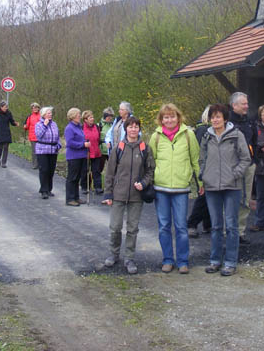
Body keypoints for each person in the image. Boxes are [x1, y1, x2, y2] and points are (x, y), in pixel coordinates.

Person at [199, 103, 251, 276]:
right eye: (212, 117)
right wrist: (203, 175)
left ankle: (230, 262)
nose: (215, 119)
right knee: (215, 226)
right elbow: (202, 159)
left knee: (231, 226)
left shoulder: (237, 135)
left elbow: (246, 159)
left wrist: (235, 174)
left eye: (218, 116)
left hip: (232, 186)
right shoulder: (207, 137)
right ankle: (215, 261)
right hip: (212, 186)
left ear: (225, 118)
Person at [149, 103, 200, 274]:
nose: (169, 120)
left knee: (181, 227)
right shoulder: (155, 137)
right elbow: (150, 162)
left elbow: (196, 160)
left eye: (172, 116)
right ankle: (168, 260)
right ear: (161, 119)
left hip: (181, 188)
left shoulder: (188, 135)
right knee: (164, 226)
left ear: (178, 117)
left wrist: (201, 183)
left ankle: (183, 261)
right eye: (166, 117)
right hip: (160, 188)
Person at [103, 116, 155, 274]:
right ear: (126, 129)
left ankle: (129, 258)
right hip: (118, 194)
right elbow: (110, 172)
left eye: (136, 127)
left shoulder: (145, 148)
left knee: (132, 228)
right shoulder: (118, 148)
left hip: (136, 196)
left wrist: (144, 183)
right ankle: (114, 254)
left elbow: (150, 170)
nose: (133, 129)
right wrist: (108, 193)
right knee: (115, 227)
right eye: (130, 127)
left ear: (139, 129)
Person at [228, 92, 257, 244]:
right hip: (231, 167)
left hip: (249, 165)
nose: (246, 106)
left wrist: (254, 161)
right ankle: (228, 231)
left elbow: (255, 141)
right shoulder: (226, 122)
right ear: (234, 106)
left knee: (245, 200)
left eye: (246, 103)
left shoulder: (250, 121)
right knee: (229, 199)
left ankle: (239, 232)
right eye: (243, 104)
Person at [187, 105, 212, 238]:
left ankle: (208, 224)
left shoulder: (202, 129)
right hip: (203, 169)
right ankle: (192, 223)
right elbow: (198, 153)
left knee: (209, 197)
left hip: (210, 168)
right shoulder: (203, 130)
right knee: (204, 197)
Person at [35, 106, 61, 199]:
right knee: (44, 169)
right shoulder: (39, 124)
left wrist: (59, 145)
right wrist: (45, 126)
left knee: (51, 170)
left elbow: (57, 135)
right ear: (43, 114)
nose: (50, 115)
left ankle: (49, 189)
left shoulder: (54, 124)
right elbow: (38, 135)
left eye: (51, 113)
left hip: (53, 150)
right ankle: (44, 190)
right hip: (42, 150)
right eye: (48, 113)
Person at [64, 108, 88, 206]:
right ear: (73, 116)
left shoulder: (79, 127)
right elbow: (69, 143)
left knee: (77, 178)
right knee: (72, 178)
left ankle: (76, 197)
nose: (79, 116)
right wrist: (83, 144)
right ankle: (70, 198)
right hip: (73, 156)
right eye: (78, 114)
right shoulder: (69, 128)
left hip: (82, 155)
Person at [81, 110, 103, 195]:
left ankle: (98, 187)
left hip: (96, 151)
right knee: (85, 170)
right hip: (86, 152)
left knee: (96, 170)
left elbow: (98, 138)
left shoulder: (96, 127)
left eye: (92, 117)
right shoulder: (82, 128)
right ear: (85, 119)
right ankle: (84, 187)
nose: (92, 119)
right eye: (90, 117)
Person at [0, 101, 19, 168]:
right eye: (5, 107)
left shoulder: (8, 113)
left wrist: (15, 123)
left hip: (6, 132)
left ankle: (4, 162)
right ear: (1, 107)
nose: (6, 108)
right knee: (0, 148)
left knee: (6, 148)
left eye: (7, 107)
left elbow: (11, 121)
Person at [24, 102, 42, 169]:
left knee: (40, 151)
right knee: (34, 151)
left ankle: (39, 164)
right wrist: (25, 126)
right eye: (34, 108)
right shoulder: (30, 116)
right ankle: (34, 164)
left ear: (38, 108)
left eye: (36, 107)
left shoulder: (41, 116)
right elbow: (27, 126)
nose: (35, 109)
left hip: (40, 136)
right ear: (32, 109)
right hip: (32, 136)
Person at [98, 107, 115, 172]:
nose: (110, 118)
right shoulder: (99, 125)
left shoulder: (113, 125)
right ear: (105, 116)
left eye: (111, 116)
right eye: (108, 116)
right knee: (99, 169)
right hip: (101, 151)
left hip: (111, 150)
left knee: (113, 169)